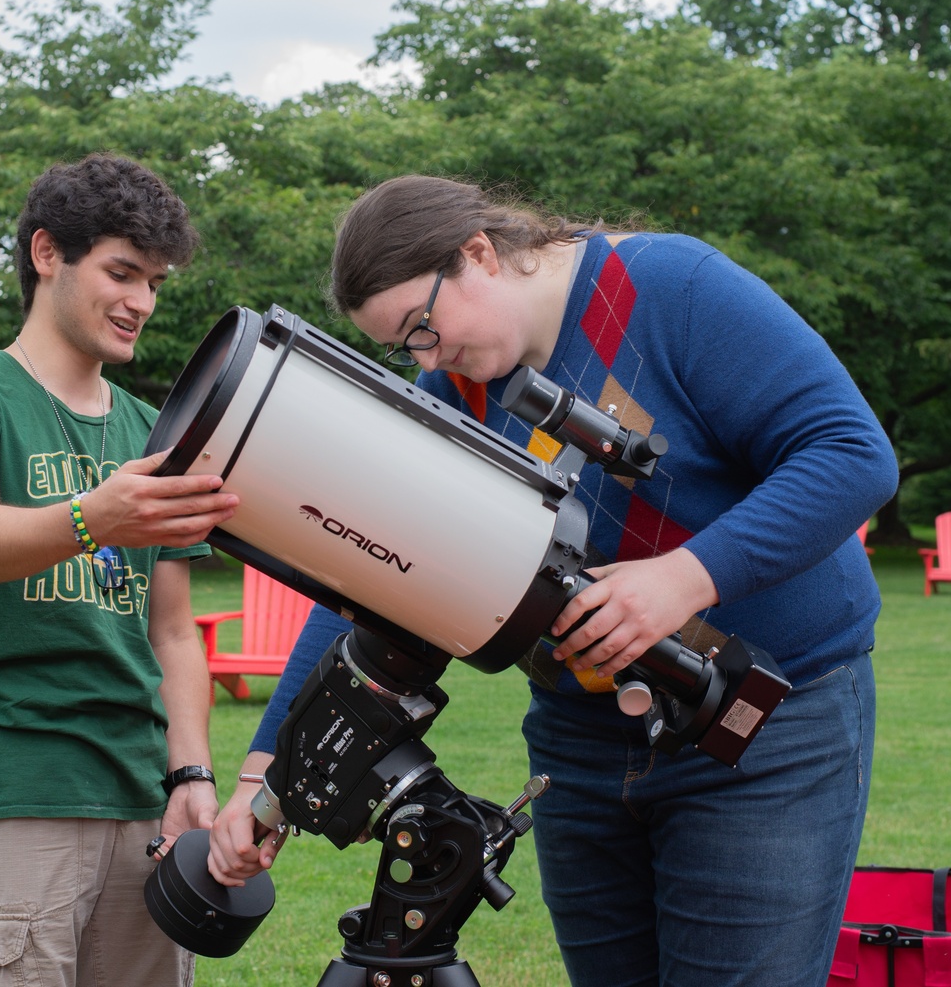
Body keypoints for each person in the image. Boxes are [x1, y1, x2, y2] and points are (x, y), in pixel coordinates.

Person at [208, 175, 899, 987]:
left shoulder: (673, 289)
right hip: (581, 743)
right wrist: (266, 772)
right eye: (406, 348)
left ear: (478, 254)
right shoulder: (457, 391)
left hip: (763, 728)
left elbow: (853, 455)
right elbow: (373, 588)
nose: (427, 359)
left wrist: (683, 579)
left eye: (424, 327)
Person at [0, 152, 239, 987]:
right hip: (12, 794)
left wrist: (191, 772)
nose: (142, 303)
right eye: (122, 272)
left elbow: (172, 631)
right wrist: (97, 516)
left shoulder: (152, 433)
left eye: (155, 281)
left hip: (142, 805)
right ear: (47, 253)